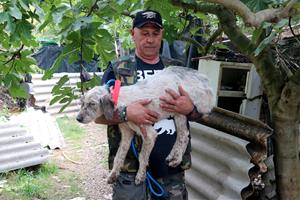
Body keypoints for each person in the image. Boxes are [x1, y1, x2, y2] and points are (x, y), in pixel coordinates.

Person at [95, 10, 202, 200]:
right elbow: (100, 116)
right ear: (132, 34)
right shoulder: (120, 72)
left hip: (171, 171)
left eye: (155, 33)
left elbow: (201, 112)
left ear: (161, 35)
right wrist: (126, 113)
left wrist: (190, 109)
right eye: (144, 33)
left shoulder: (175, 69)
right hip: (130, 172)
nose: (150, 39)